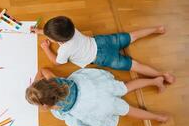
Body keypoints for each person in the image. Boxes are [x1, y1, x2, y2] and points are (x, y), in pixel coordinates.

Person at [25, 68, 169, 126]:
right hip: (94, 87)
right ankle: (155, 81)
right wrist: (37, 82)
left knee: (127, 110)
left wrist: (43, 106)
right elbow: (43, 69)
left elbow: (47, 109)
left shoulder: (54, 106)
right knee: (124, 87)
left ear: (45, 104)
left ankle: (158, 116)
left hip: (94, 105)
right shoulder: (54, 80)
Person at [31, 16, 175, 84]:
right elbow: (57, 33)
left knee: (134, 66)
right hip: (102, 41)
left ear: (59, 41)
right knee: (132, 36)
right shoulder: (72, 30)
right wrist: (39, 31)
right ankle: (158, 29)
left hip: (102, 58)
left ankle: (162, 74)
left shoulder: (64, 51)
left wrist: (46, 48)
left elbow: (56, 63)